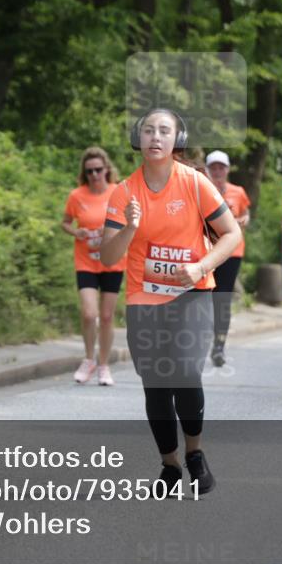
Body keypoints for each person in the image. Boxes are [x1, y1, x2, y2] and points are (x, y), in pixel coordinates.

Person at [101, 109, 241, 494]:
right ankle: (170, 464)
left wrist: (201, 266)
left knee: (183, 369)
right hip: (144, 297)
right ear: (138, 137)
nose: (155, 137)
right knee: (155, 385)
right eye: (148, 130)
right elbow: (108, 257)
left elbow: (230, 234)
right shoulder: (124, 192)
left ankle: (195, 452)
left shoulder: (195, 184)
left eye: (164, 130)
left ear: (177, 139)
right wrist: (129, 227)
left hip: (192, 292)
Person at [62, 147, 125, 385]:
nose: (94, 175)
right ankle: (89, 359)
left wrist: (112, 232)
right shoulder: (77, 195)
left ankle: (104, 366)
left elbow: (132, 221)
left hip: (113, 261)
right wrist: (76, 231)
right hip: (86, 260)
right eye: (89, 171)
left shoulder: (118, 191)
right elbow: (65, 222)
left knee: (107, 317)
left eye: (98, 170)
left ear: (107, 169)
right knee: (89, 314)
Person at [205, 150, 252, 366]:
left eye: (221, 167)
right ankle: (202, 340)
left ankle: (219, 346)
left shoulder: (238, 191)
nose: (217, 171)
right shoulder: (203, 190)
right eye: (213, 167)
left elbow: (246, 213)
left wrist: (243, 220)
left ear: (227, 169)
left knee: (222, 299)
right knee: (205, 296)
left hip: (232, 251)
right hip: (207, 251)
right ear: (207, 169)